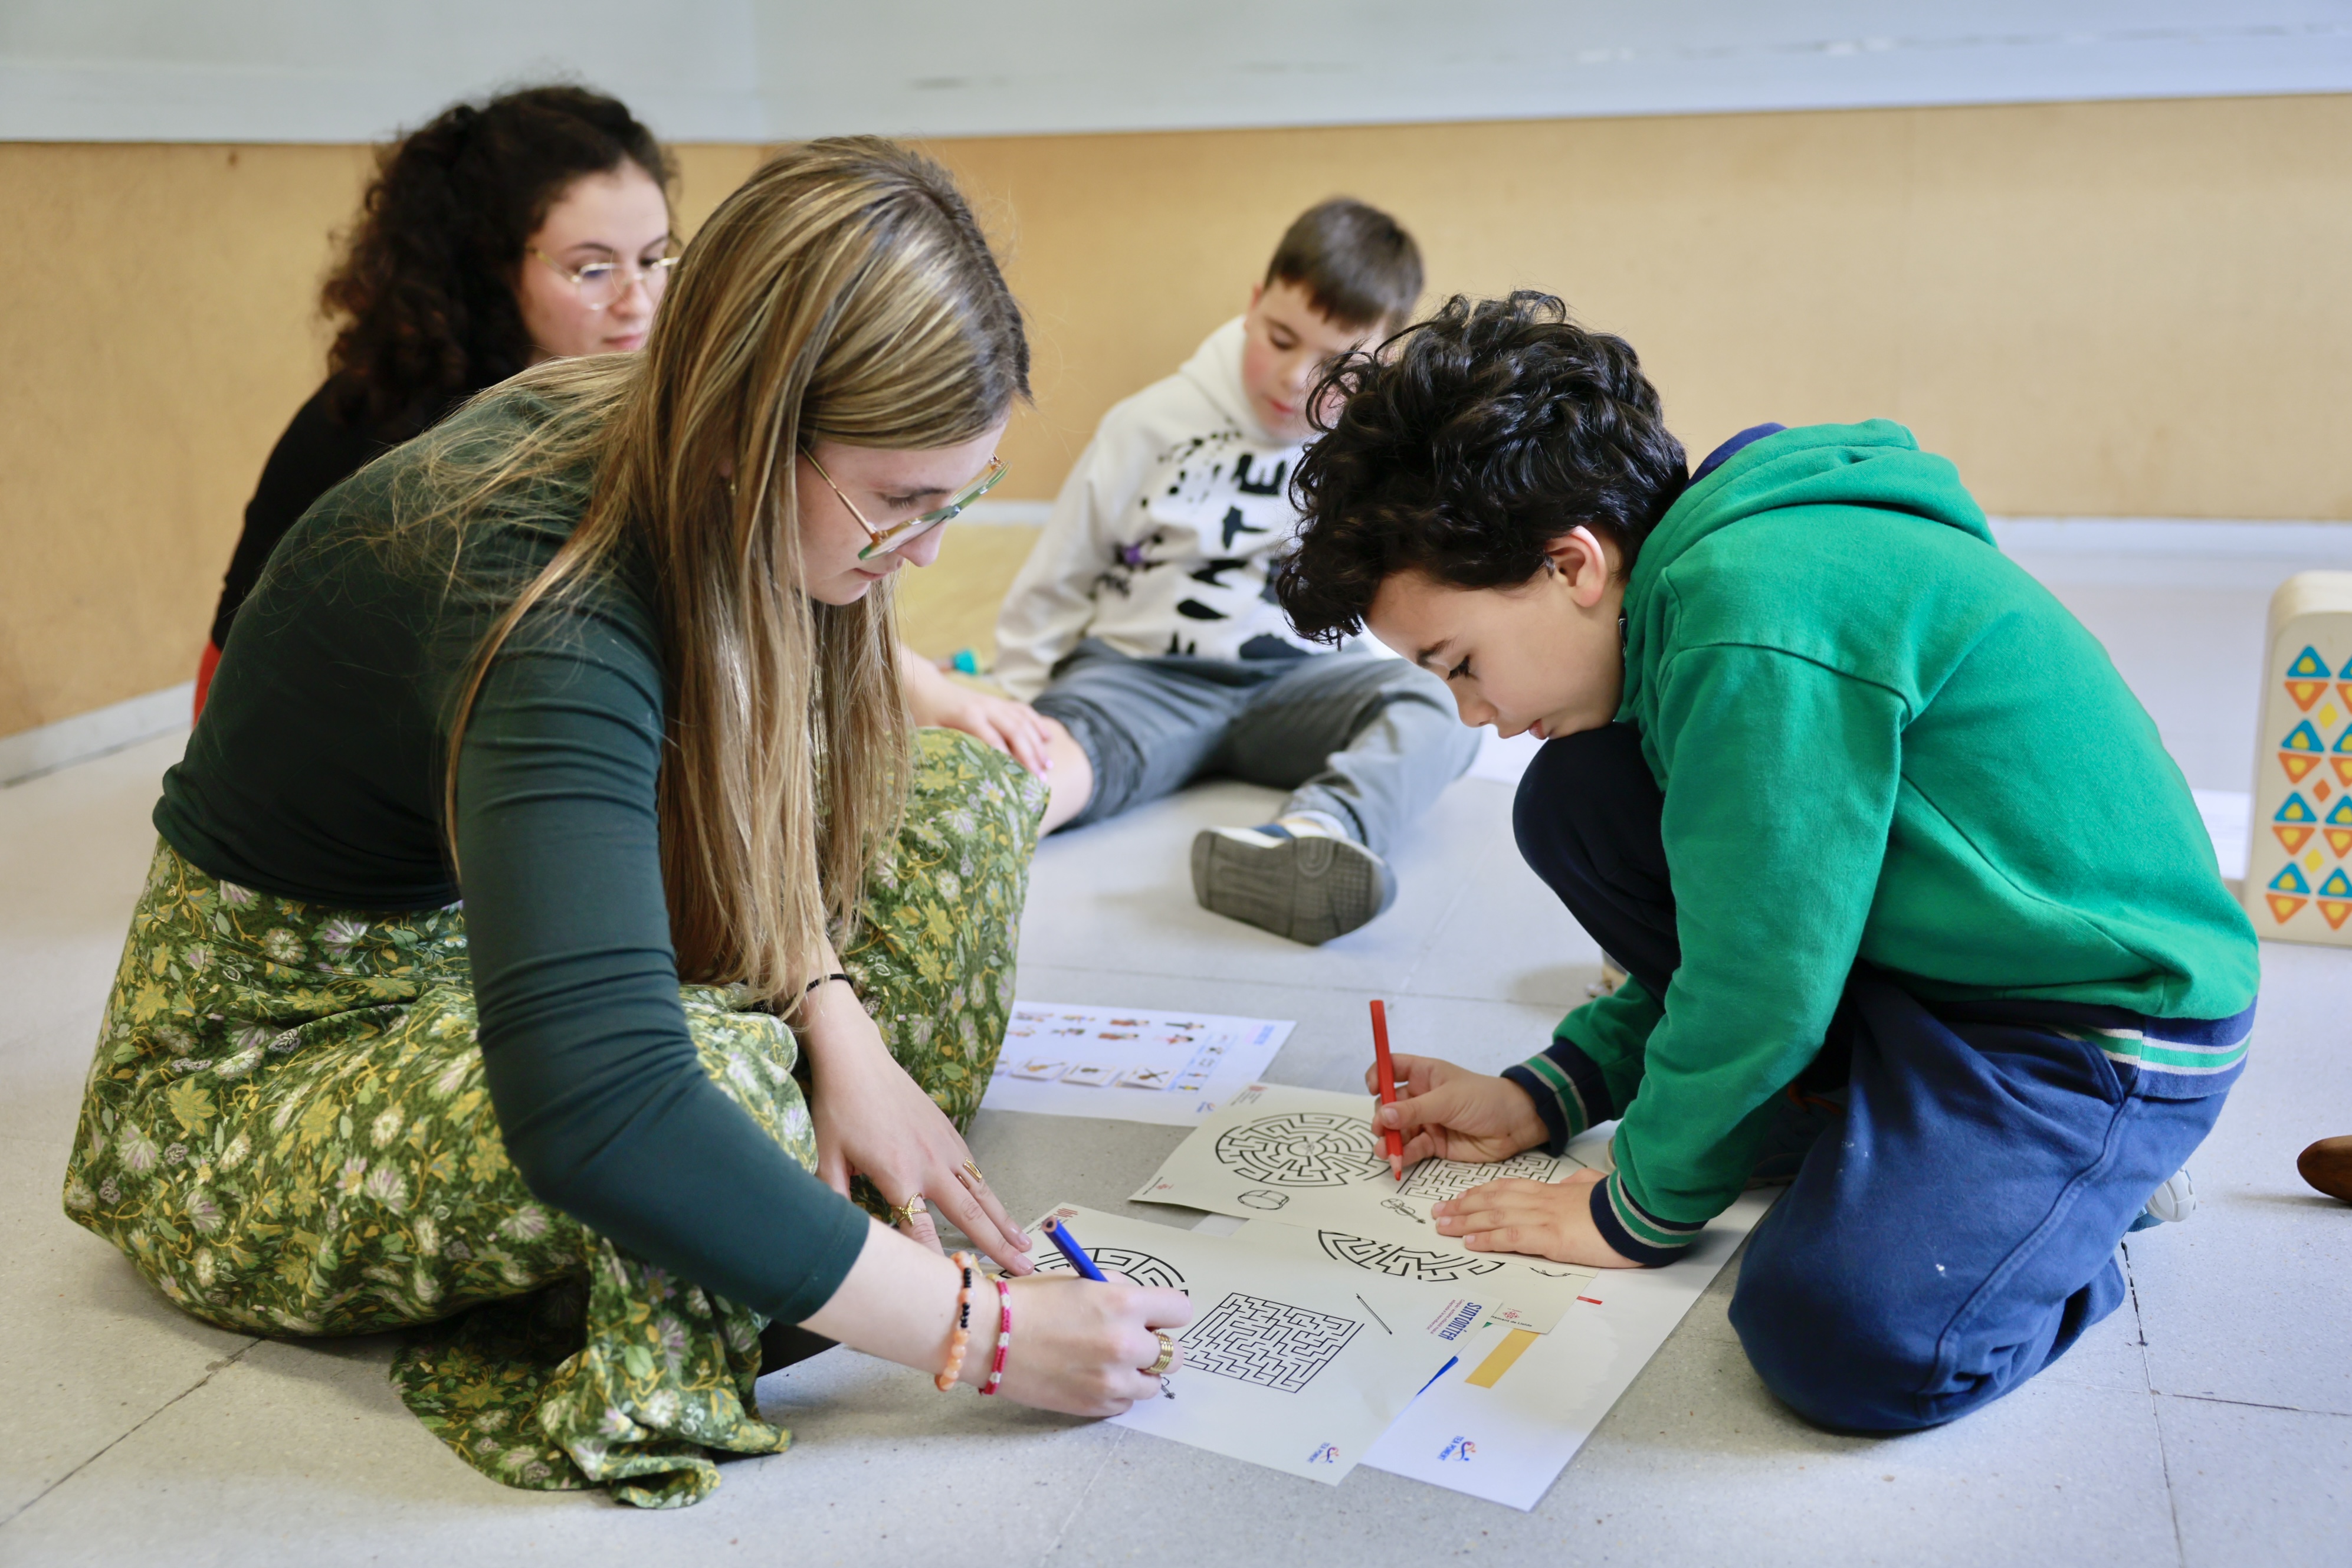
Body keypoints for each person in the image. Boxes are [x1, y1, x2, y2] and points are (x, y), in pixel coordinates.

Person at [65, 139, 1189, 1508]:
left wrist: (832, 1014)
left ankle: (787, 1211)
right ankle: (776, 1223)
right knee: (705, 1088)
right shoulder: (542, 594)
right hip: (257, 1078)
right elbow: (594, 1096)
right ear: (751, 433)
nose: (932, 550)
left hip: (486, 948)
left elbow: (745, 777)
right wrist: (980, 1329)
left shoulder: (696, 451)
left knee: (954, 800)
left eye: (958, 494)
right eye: (900, 502)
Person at [1272, 291, 2259, 1432]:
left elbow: (1760, 973)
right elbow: (1737, 922)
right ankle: (1854, 1121)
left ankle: (2076, 1203)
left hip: (2094, 1025)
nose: (1473, 713)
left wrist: (1631, 1210)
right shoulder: (1692, 589)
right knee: (1580, 800)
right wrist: (1553, 1091)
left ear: (1571, 563)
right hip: (1921, 976)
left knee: (1836, 1337)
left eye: (1461, 661)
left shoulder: (1746, 614)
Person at [194, 84, 1055, 782]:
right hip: (325, 742)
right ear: (487, 271)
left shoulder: (619, 390)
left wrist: (918, 687)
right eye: (591, 267)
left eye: (654, 257)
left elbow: (764, 534)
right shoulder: (435, 439)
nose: (636, 299)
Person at [992, 199, 1480, 945]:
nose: (1294, 379)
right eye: (1280, 338)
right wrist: (1019, 707)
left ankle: (1316, 831)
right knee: (1049, 757)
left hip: (1295, 686)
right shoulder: (1148, 423)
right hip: (1143, 678)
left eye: (1333, 363)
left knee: (1442, 708)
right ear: (1253, 307)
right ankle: (981, 830)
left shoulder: (1377, 450)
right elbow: (1059, 577)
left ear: (1380, 361)